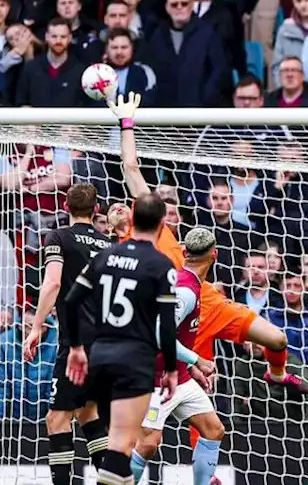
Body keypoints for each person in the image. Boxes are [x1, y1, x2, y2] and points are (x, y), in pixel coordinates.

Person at [107, 91, 308, 408]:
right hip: (175, 319)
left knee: (277, 339)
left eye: (123, 205)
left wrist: (127, 122)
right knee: (198, 418)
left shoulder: (151, 222)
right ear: (108, 226)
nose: (120, 208)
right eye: (114, 210)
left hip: (208, 302)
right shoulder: (121, 254)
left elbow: (131, 168)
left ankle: (277, 374)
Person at [59, 193, 179, 485]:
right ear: (163, 223)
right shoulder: (162, 266)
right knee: (122, 446)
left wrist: (76, 347)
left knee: (117, 452)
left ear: (132, 219)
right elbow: (166, 325)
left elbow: (72, 301)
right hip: (134, 361)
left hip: (99, 358)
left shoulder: (105, 256)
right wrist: (171, 369)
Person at [23, 183, 113, 485]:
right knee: (88, 414)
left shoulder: (59, 237)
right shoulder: (108, 244)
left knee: (57, 419)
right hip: (108, 342)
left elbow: (52, 284)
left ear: (65, 207)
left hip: (78, 342)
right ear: (96, 210)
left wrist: (36, 326)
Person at [129, 227, 223, 485]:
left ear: (184, 252)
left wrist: (188, 367)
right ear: (214, 255)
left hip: (179, 377)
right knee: (149, 443)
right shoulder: (185, 291)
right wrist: (198, 360)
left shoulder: (189, 283)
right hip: (156, 379)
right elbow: (161, 335)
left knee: (213, 429)